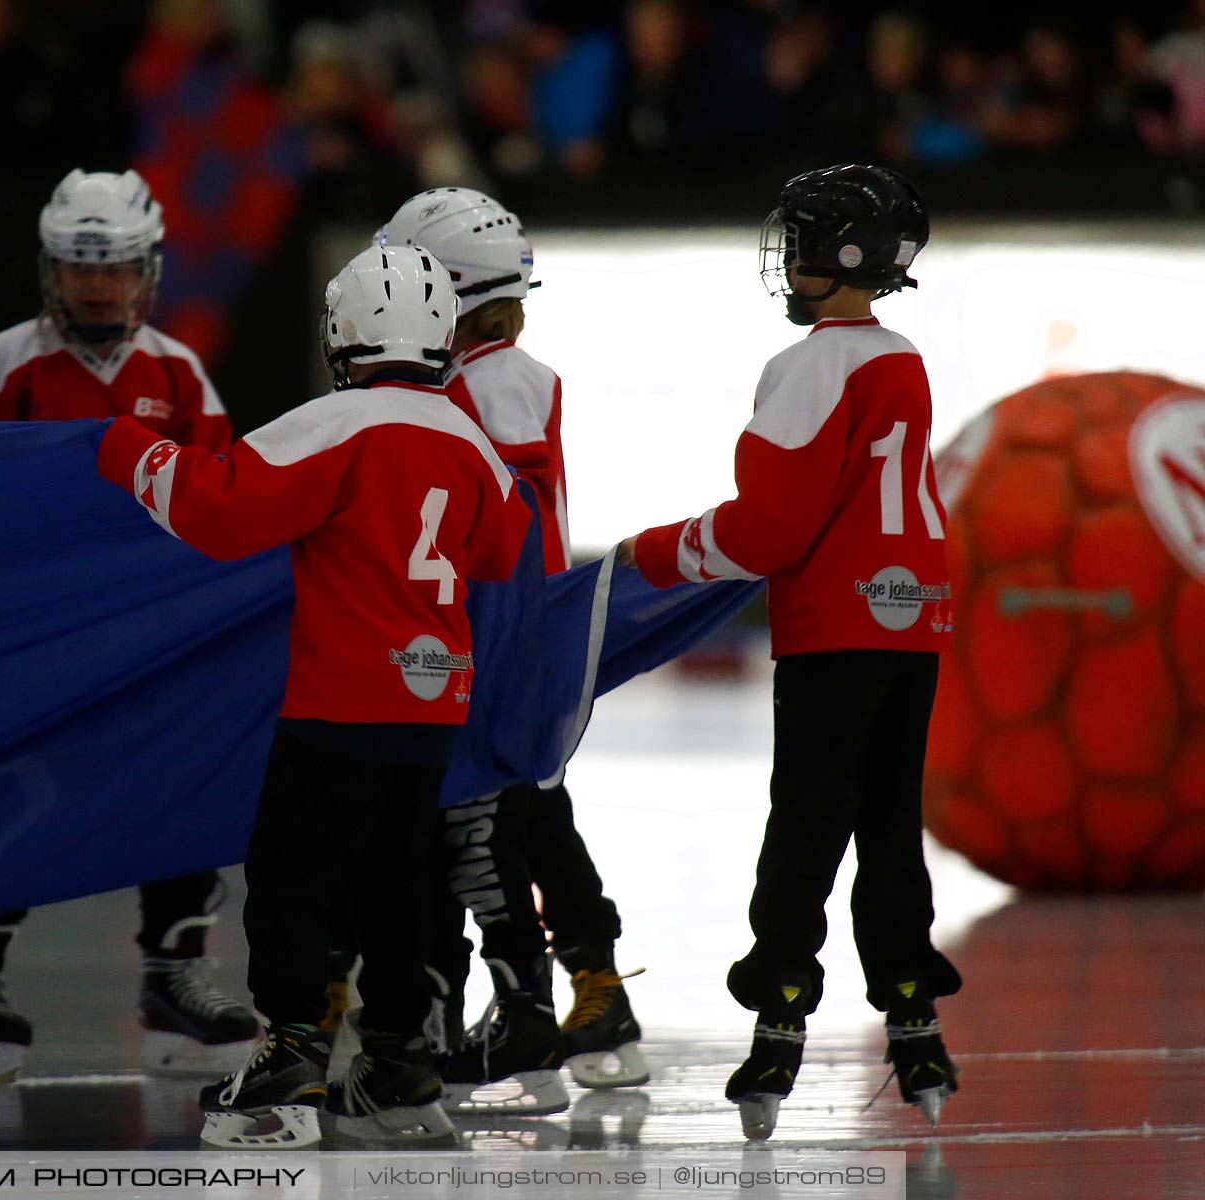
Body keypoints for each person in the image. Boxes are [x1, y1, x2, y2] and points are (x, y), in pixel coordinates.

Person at [97, 243, 532, 1149]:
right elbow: (502, 546)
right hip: (432, 704)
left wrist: (125, 451)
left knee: (290, 881)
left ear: (344, 334)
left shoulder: (335, 424)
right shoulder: (467, 439)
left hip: (343, 697)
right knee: (396, 885)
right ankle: (398, 1064)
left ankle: (291, 1053)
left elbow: (219, 512)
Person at [620, 164, 961, 1141]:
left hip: (836, 628)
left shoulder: (811, 364)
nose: (792, 259)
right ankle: (912, 1014)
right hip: (914, 617)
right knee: (891, 825)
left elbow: (768, 529)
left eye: (805, 240)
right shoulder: (903, 357)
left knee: (808, 823)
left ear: (839, 256)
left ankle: (778, 1016)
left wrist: (656, 554)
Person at [0, 168, 254, 1081]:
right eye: (79, 268)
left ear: (148, 270)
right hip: (33, 637)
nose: (97, 287)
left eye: (114, 269)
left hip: (152, 636)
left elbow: (223, 499)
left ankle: (175, 973)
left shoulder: (180, 372)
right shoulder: (6, 363)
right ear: (51, 270)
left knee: (188, 783)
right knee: (17, 793)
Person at [376, 187, 648, 1118]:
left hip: (496, 642)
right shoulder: (495, 377)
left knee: (476, 831)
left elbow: (506, 507)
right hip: (515, 637)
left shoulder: (492, 384)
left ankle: (527, 1013)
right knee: (535, 819)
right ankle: (593, 999)